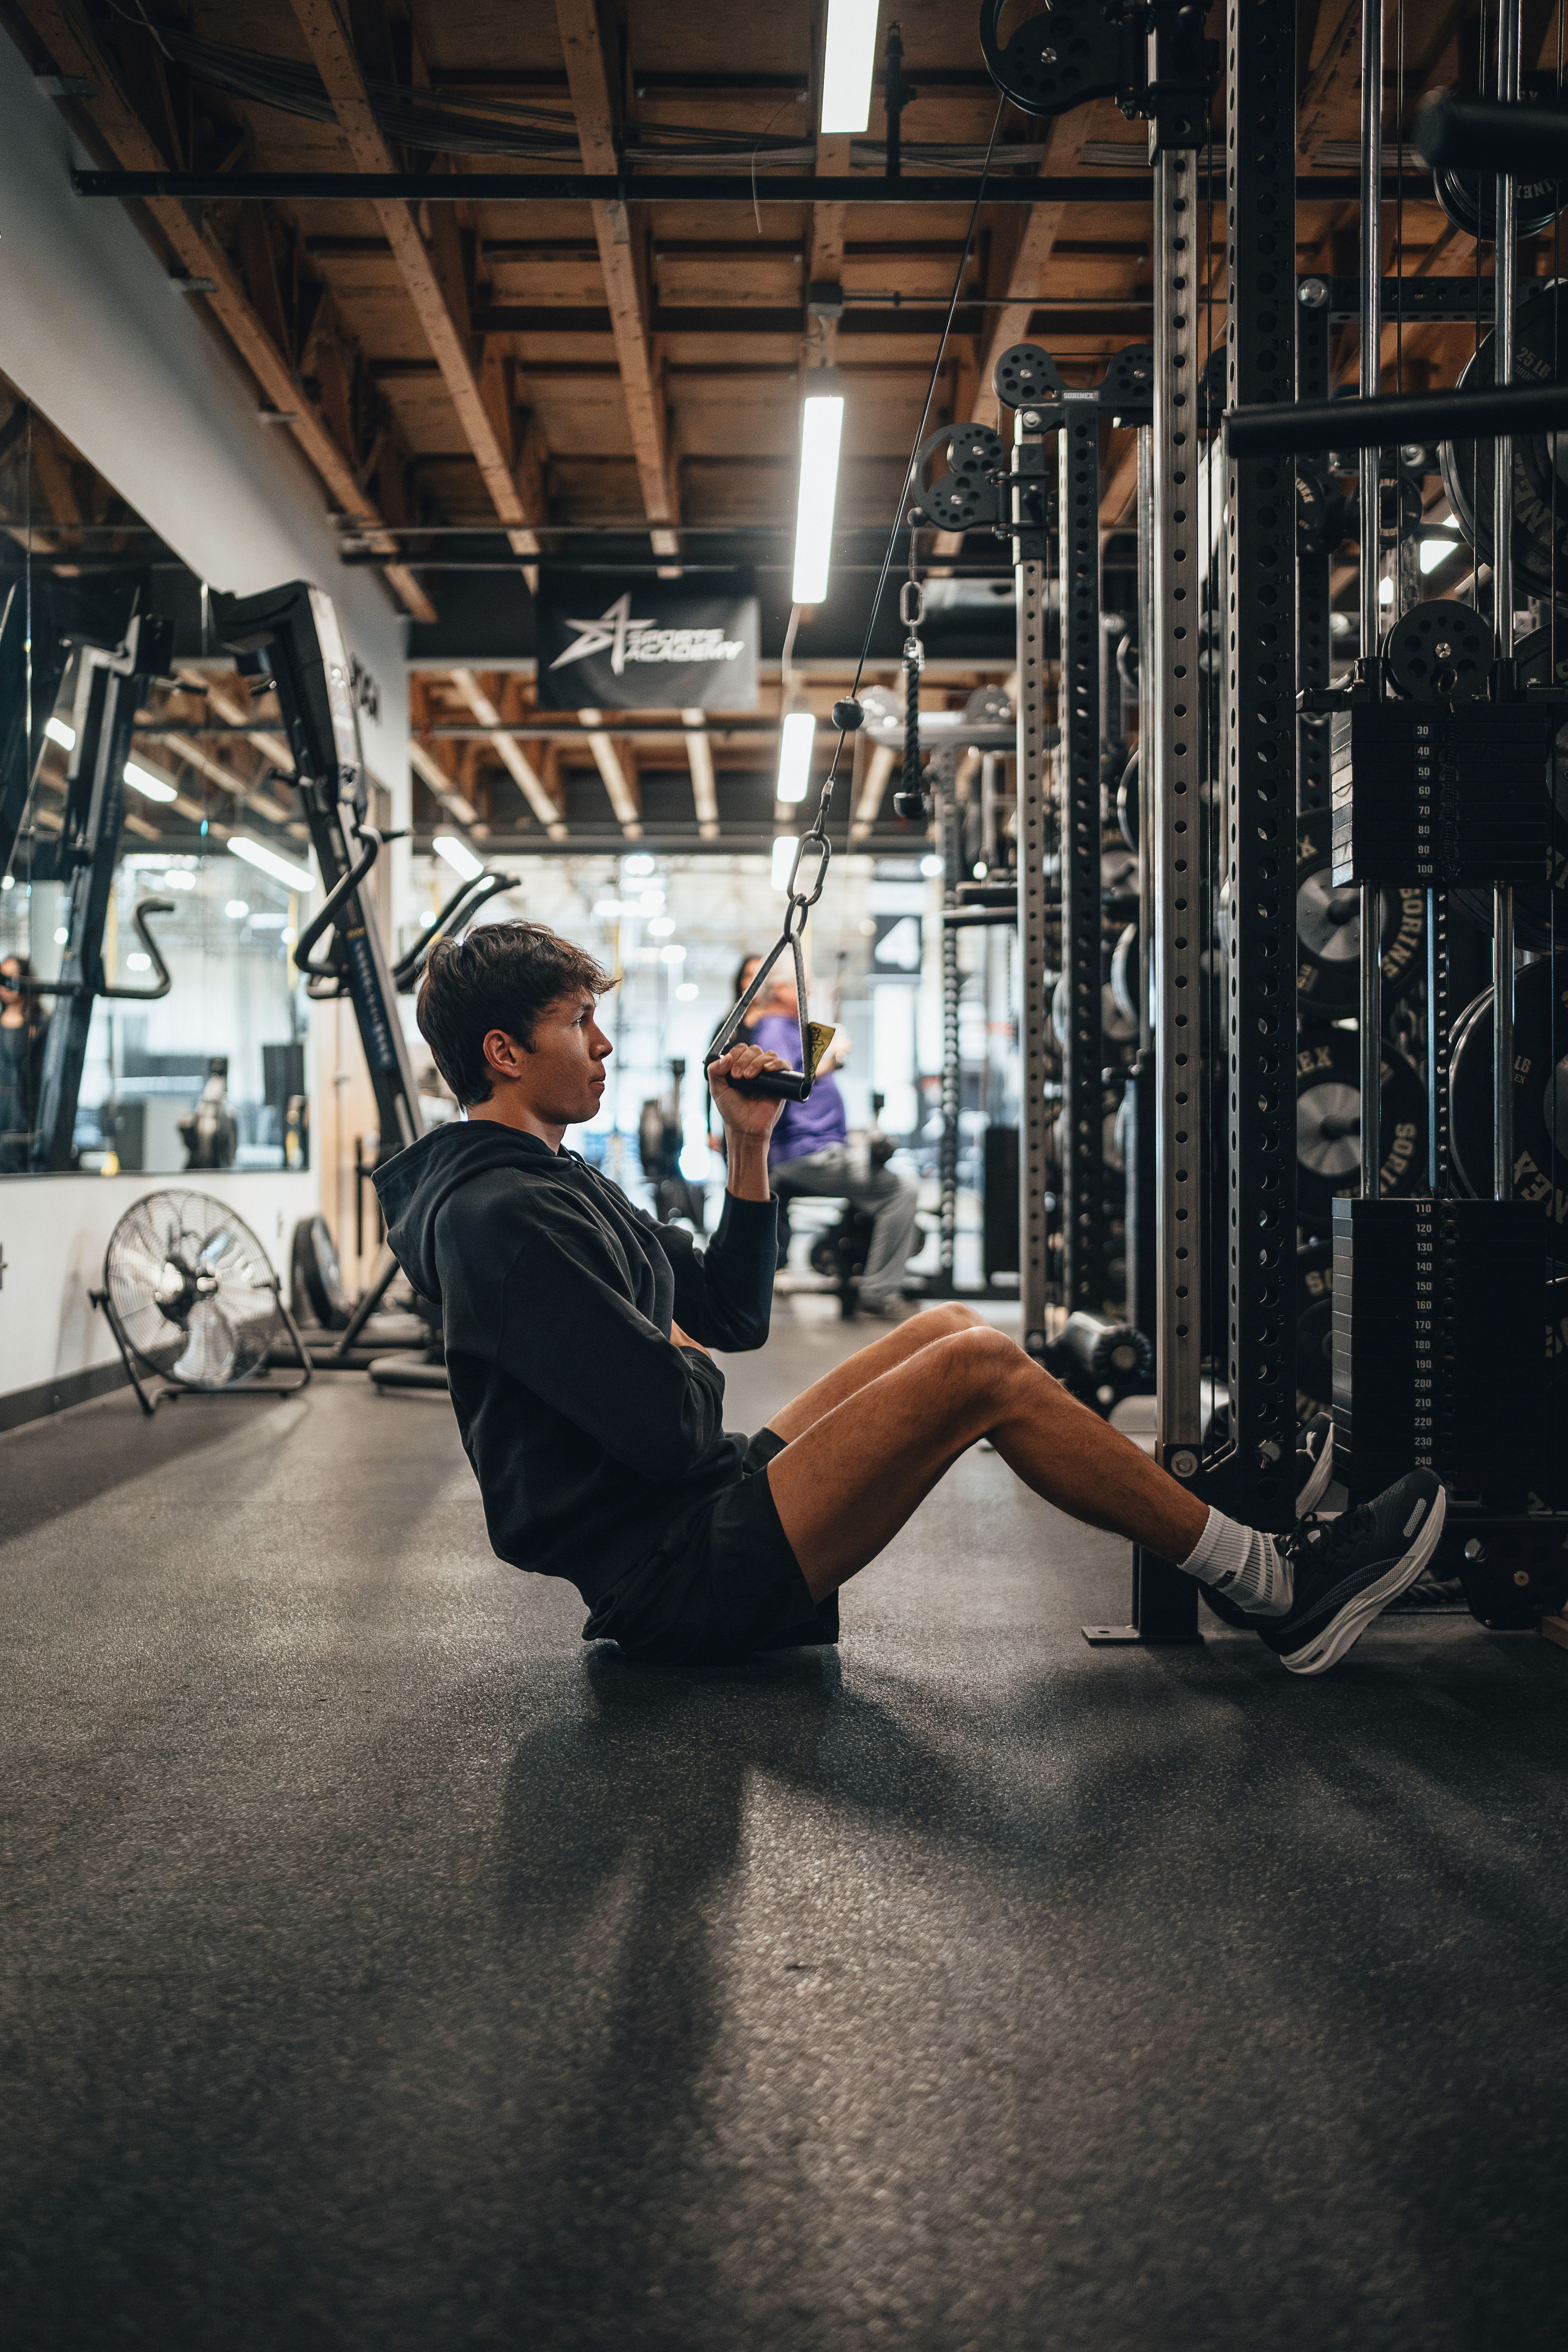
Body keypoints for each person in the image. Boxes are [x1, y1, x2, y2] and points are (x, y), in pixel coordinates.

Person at [373, 921, 1447, 1678]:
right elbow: (668, 1423)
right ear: (504, 1052)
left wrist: (749, 1143)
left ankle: (1211, 1526)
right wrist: (660, 1340)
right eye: (578, 1023)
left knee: (945, 1329)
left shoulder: (559, 1178)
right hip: (675, 1570)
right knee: (975, 1372)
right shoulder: (502, 1220)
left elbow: (732, 1314)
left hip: (698, 1503)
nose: (603, 1045)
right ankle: (1270, 1582)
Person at [746, 953, 921, 1318]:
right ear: (780, 988)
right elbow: (788, 1084)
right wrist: (835, 1056)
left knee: (880, 1173)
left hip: (821, 1149)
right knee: (901, 1190)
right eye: (804, 984)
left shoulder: (790, 1027)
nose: (810, 990)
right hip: (804, 1154)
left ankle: (858, 1268)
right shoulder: (774, 1027)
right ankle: (878, 1291)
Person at [0, 953, 47, 1173]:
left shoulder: (41, 1024)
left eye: (13, 977)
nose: (7, 984)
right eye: (3, 978)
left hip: (25, 1114)